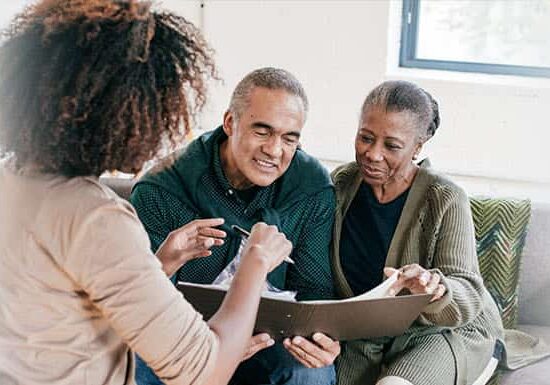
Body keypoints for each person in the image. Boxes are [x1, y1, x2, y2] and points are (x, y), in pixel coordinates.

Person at [0, 1, 294, 384]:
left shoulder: (13, 180)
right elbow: (205, 373)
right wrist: (254, 263)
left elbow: (63, 307)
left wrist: (158, 265)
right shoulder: (95, 217)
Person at [129, 67, 340, 385]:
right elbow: (144, 308)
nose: (274, 150)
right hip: (185, 339)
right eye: (262, 131)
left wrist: (322, 341)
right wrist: (211, 347)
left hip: (270, 342)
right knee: (136, 359)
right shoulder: (162, 188)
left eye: (289, 138)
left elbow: (314, 291)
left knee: (311, 371)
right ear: (230, 123)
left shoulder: (311, 186)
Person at [330, 80, 504, 385]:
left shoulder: (444, 197)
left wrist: (435, 289)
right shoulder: (342, 183)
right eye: (365, 138)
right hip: (367, 335)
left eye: (392, 145)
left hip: (442, 331)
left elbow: (467, 290)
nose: (373, 154)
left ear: (417, 147)